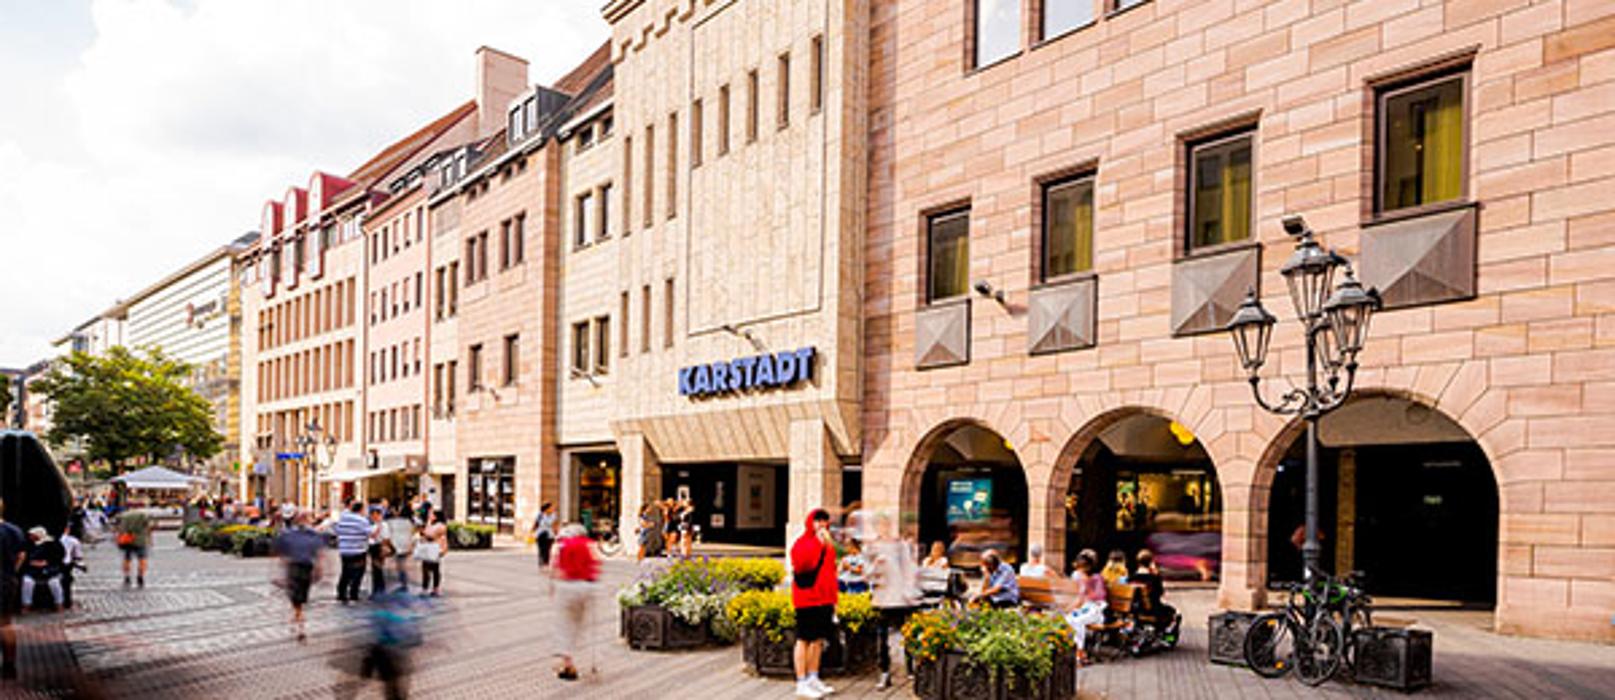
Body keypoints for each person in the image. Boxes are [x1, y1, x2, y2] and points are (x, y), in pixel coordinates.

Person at [866, 516, 921, 690]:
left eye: (886, 525)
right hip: (882, 598)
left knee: (908, 633)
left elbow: (909, 568)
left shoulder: (900, 545)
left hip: (901, 597)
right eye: (880, 525)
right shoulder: (871, 547)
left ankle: (911, 668)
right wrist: (875, 565)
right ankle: (884, 672)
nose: (884, 528)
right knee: (882, 636)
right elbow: (867, 575)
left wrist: (909, 590)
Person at [790, 509, 838, 699]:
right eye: (817, 520)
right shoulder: (803, 543)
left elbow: (831, 571)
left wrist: (834, 600)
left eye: (824, 521)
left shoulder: (828, 544)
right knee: (804, 639)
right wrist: (818, 544)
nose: (821, 524)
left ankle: (813, 677)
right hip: (807, 598)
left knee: (818, 640)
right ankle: (801, 682)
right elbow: (801, 564)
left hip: (824, 598)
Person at [551, 523, 598, 681]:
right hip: (586, 587)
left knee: (564, 624)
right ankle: (591, 660)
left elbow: (555, 567)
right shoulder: (588, 544)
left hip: (567, 586)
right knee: (579, 623)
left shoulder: (563, 545)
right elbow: (595, 565)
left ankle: (567, 661)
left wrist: (552, 586)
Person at [275, 511, 324, 642]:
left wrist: (280, 573)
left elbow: (282, 555)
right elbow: (319, 554)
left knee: (298, 597)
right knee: (299, 597)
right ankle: (300, 623)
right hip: (302, 567)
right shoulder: (310, 535)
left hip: (298, 567)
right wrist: (320, 569)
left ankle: (298, 617)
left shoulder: (289, 535)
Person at [1065, 549, 1108, 665]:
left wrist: (1087, 587)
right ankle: (1076, 651)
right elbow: (1077, 597)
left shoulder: (1097, 578)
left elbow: (1098, 598)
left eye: (1082, 568)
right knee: (1068, 618)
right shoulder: (1078, 577)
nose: (1079, 571)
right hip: (1085, 608)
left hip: (1096, 611)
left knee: (1077, 621)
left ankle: (1080, 652)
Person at [0, 499, 26, 679]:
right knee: (5, 623)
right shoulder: (14, 530)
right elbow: (21, 555)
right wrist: (11, 572)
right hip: (6, 580)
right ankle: (9, 665)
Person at [332, 501, 371, 604]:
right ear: (361, 510)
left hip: (344, 549)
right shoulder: (362, 520)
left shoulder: (343, 518)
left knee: (345, 571)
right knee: (358, 572)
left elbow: (336, 530)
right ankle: (353, 594)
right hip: (358, 550)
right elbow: (369, 533)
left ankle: (341, 593)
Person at [21, 527, 64, 612]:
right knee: (27, 582)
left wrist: (47, 563)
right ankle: (26, 604)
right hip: (32, 570)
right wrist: (31, 563)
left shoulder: (52, 544)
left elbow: (58, 557)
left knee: (54, 583)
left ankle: (59, 604)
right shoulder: (29, 545)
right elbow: (25, 557)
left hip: (50, 570)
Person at [114, 507, 152, 588]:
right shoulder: (143, 515)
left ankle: (127, 576)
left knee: (127, 559)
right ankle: (140, 577)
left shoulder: (124, 515)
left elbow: (118, 526)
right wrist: (149, 539)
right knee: (142, 559)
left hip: (127, 539)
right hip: (140, 540)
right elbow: (148, 527)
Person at [414, 510, 447, 597]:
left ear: (436, 516)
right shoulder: (431, 524)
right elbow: (426, 534)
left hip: (435, 549)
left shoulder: (440, 526)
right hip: (428, 548)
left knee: (434, 570)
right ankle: (425, 588)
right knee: (425, 569)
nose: (430, 516)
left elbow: (431, 535)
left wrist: (424, 531)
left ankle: (435, 589)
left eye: (431, 515)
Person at [384, 507, 414, 592]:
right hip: (405, 546)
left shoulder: (391, 522)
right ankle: (403, 584)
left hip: (394, 545)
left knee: (393, 565)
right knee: (402, 565)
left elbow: (387, 533)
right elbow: (411, 534)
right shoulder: (409, 522)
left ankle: (392, 585)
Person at [917, 541, 951, 606]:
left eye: (938, 549)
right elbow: (923, 571)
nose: (935, 551)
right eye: (934, 549)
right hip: (926, 583)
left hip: (937, 584)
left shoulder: (943, 560)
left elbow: (944, 573)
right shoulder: (926, 560)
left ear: (941, 551)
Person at [368, 506, 390, 599]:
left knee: (378, 569)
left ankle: (379, 590)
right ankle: (378, 589)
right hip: (372, 548)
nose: (373, 516)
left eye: (375, 514)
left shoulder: (383, 525)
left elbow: (386, 538)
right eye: (372, 515)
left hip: (379, 547)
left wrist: (383, 548)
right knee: (375, 570)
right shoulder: (372, 525)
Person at [59, 526, 83, 610]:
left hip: (53, 564)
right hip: (66, 565)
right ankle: (66, 602)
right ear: (67, 529)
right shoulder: (72, 540)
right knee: (66, 583)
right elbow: (78, 556)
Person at [532, 502, 557, 568]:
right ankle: (541, 563)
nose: (552, 508)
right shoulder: (540, 514)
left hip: (549, 535)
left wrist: (556, 534)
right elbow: (535, 523)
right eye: (551, 507)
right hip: (540, 534)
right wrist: (532, 531)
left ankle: (546, 563)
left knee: (548, 550)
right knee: (541, 549)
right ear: (546, 508)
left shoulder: (553, 515)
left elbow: (554, 525)